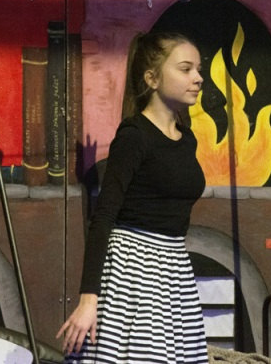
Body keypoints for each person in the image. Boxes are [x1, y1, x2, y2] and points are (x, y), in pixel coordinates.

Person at [57, 31, 209, 363]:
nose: (198, 78)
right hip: (133, 269)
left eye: (199, 69)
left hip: (174, 269)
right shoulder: (134, 136)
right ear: (152, 78)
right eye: (186, 69)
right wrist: (88, 299)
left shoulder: (187, 140)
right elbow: (103, 217)